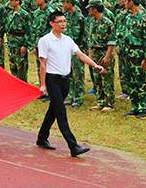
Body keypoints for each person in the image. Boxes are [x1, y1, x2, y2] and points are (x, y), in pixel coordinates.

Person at [36, 11, 105, 157]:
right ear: (52, 23)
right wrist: (43, 84)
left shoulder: (67, 39)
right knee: (61, 112)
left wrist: (95, 65)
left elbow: (80, 54)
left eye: (64, 21)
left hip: (65, 80)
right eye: (60, 21)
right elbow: (43, 63)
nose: (63, 24)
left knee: (53, 111)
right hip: (52, 79)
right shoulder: (45, 40)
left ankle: (42, 138)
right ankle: (73, 146)